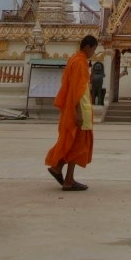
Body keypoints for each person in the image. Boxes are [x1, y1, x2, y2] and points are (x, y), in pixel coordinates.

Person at [45, 35, 98, 191]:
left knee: (72, 141)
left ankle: (58, 168)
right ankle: (68, 180)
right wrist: (79, 113)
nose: (93, 53)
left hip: (78, 107)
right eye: (94, 49)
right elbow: (76, 90)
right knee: (77, 144)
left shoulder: (74, 60)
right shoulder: (79, 63)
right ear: (87, 47)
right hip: (79, 109)